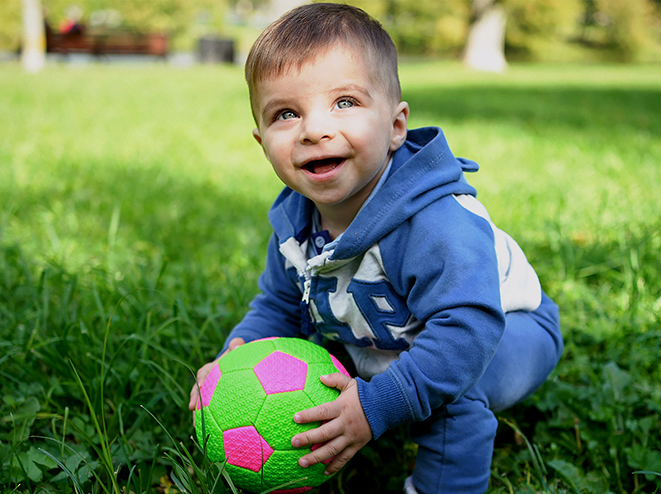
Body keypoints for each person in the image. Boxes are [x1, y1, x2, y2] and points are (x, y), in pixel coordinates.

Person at [188, 3, 563, 493]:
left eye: (345, 102)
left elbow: (465, 331)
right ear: (261, 142)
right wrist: (233, 363)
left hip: (504, 329)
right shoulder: (293, 224)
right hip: (391, 338)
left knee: (454, 393)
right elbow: (278, 305)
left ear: (396, 126)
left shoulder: (436, 223)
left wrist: (379, 403)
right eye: (286, 113)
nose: (314, 129)